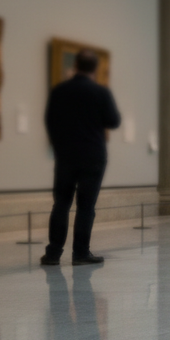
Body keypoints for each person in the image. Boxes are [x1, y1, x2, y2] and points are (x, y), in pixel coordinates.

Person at [41, 49, 121, 266]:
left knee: (61, 204)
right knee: (86, 206)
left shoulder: (59, 91)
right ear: (95, 68)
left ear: (75, 65)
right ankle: (80, 253)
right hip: (93, 155)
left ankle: (53, 253)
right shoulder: (101, 92)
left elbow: (49, 120)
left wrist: (59, 146)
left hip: (66, 156)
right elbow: (113, 121)